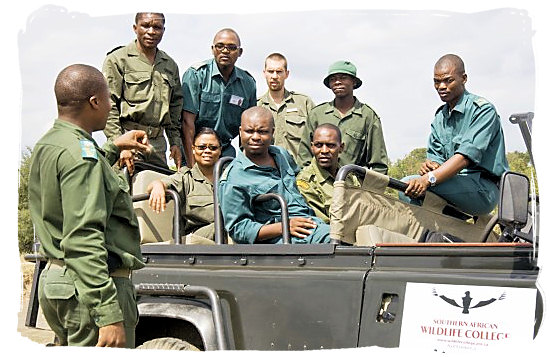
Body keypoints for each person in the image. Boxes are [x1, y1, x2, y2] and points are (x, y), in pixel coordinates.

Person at [28, 64, 152, 347]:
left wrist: (113, 147)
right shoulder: (81, 156)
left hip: (60, 280)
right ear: (94, 102)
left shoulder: (52, 144)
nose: (111, 107)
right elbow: (83, 237)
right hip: (88, 288)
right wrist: (108, 313)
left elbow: (82, 182)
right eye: (109, 99)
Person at [400, 54, 509, 216]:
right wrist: (431, 166)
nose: (441, 86)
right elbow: (435, 157)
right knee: (408, 188)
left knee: (406, 183)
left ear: (463, 78)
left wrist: (428, 178)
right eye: (437, 82)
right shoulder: (440, 117)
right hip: (451, 183)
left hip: (483, 189)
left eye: (448, 80)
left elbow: (465, 157)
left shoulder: (483, 110)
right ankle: (429, 238)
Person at [218, 107, 331, 244]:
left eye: (262, 132)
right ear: (240, 132)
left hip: (312, 223)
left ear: (272, 133)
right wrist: (284, 226)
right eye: (249, 131)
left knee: (356, 230)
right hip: (281, 239)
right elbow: (238, 229)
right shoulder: (234, 178)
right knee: (335, 240)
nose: (255, 137)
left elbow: (300, 180)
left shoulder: (281, 155)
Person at [102, 12, 183, 172]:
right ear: (135, 28)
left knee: (160, 190)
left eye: (157, 27)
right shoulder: (118, 59)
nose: (151, 31)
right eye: (146, 25)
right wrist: (121, 143)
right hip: (129, 138)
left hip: (158, 145)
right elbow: (109, 105)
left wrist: (175, 143)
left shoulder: (170, 65)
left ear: (163, 30)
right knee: (126, 191)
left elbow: (175, 108)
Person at [296, 60, 389, 174]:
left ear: (354, 82)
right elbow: (304, 157)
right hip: (318, 185)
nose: (337, 82)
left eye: (343, 78)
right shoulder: (317, 114)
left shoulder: (367, 116)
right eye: (333, 79)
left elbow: (379, 166)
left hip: (352, 186)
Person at [181, 28, 256, 167]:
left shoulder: (248, 83)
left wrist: (244, 166)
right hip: (196, 149)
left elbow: (247, 129)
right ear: (212, 49)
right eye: (220, 46)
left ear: (240, 52)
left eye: (231, 47)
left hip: (225, 150)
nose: (225, 51)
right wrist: (192, 167)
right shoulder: (196, 75)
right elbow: (187, 122)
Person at [147, 128, 222, 243]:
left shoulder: (228, 178)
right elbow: (158, 184)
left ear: (220, 150)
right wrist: (158, 185)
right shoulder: (186, 178)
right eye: (202, 147)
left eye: (213, 148)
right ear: (193, 149)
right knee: (226, 225)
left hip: (226, 233)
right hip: (199, 236)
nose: (207, 151)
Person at [296, 123, 360, 223]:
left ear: (341, 147)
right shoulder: (306, 182)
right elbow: (325, 223)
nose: (324, 151)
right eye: (319, 145)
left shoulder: (350, 177)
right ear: (312, 147)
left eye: (331, 145)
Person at [257, 53, 315, 161]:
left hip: (298, 172)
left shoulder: (304, 103)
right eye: (270, 71)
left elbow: (317, 140)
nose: (274, 76)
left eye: (279, 72)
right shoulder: (256, 107)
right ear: (264, 73)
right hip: (266, 172)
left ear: (286, 74)